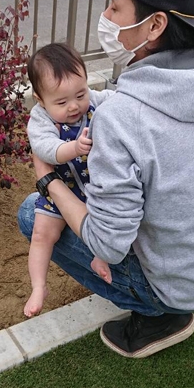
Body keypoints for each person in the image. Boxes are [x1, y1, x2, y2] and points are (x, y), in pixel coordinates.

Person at [18, 0, 194, 358]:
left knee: (33, 211)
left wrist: (48, 181)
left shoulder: (121, 118)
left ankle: (160, 316)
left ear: (155, 26)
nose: (106, 16)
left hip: (181, 287)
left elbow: (107, 244)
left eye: (114, 6)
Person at [24, 43, 114, 317]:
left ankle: (102, 256)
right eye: (61, 102)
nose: (74, 106)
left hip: (94, 189)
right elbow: (45, 149)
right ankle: (39, 286)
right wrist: (73, 148)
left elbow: (120, 99)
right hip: (62, 191)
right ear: (40, 99)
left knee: (103, 225)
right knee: (41, 235)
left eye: (80, 94)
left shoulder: (96, 101)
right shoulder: (40, 120)